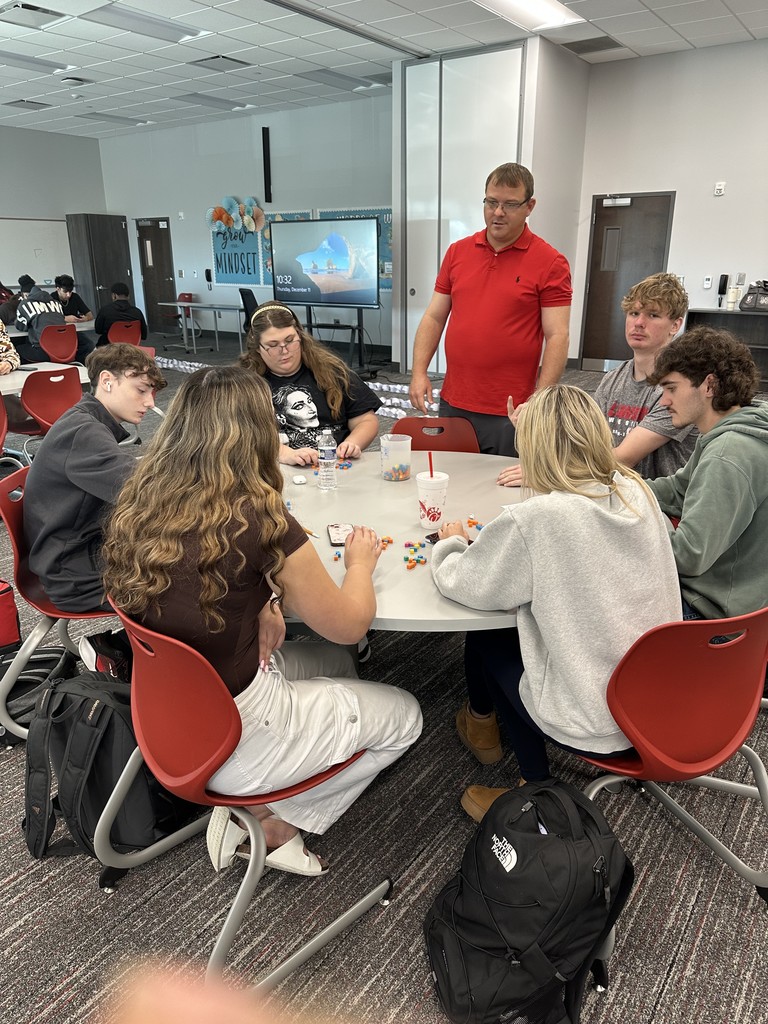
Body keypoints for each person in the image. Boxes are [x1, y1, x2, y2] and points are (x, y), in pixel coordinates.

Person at [102, 367, 422, 876]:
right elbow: (349, 626)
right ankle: (273, 822)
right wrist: (360, 564)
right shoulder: (259, 516)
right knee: (407, 715)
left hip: (173, 713)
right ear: (255, 433)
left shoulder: (143, 501)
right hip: (241, 730)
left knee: (335, 663)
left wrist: (267, 601)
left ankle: (263, 801)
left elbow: (205, 579)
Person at [430, 385, 681, 821]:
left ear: (531, 449)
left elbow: (467, 584)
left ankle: (535, 789)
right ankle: (488, 732)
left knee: (490, 639)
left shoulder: (538, 519)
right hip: (662, 698)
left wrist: (451, 542)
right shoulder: (634, 490)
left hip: (598, 719)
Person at [407, 162, 572, 456]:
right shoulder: (458, 252)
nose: (498, 212)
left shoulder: (550, 262)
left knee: (504, 492)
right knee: (454, 482)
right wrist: (419, 372)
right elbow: (434, 316)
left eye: (510, 204)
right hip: (455, 401)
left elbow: (558, 335)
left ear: (529, 206)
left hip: (512, 409)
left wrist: (539, 400)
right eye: (491, 202)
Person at [23, 344, 166, 612]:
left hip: (79, 551)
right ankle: (126, 650)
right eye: (141, 390)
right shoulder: (85, 433)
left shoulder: (85, 421)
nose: (150, 402)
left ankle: (122, 647)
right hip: (75, 575)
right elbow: (145, 492)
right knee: (196, 584)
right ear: (107, 381)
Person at [646, 326, 768, 620]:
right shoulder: (735, 432)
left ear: (709, 386)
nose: (664, 401)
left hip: (709, 617)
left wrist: (626, 530)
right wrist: (614, 487)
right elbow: (678, 490)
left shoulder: (728, 454)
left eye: (671, 388)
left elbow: (689, 556)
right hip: (742, 609)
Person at [240, 302, 381, 466]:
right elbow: (239, 436)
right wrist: (284, 453)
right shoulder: (244, 384)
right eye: (273, 345)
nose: (284, 350)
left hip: (333, 468)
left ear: (300, 336)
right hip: (274, 473)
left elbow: (366, 420)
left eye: (290, 340)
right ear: (257, 348)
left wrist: (352, 443)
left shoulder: (334, 372)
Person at [13, 274, 67, 363]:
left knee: (16, 349)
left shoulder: (25, 304)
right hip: (65, 348)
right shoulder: (56, 303)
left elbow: (21, 327)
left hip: (43, 351)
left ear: (25, 295)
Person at [93, 282, 148, 347]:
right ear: (128, 296)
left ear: (114, 295)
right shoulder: (137, 312)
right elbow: (144, 335)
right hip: (131, 348)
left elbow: (98, 330)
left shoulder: (105, 310)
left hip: (109, 348)